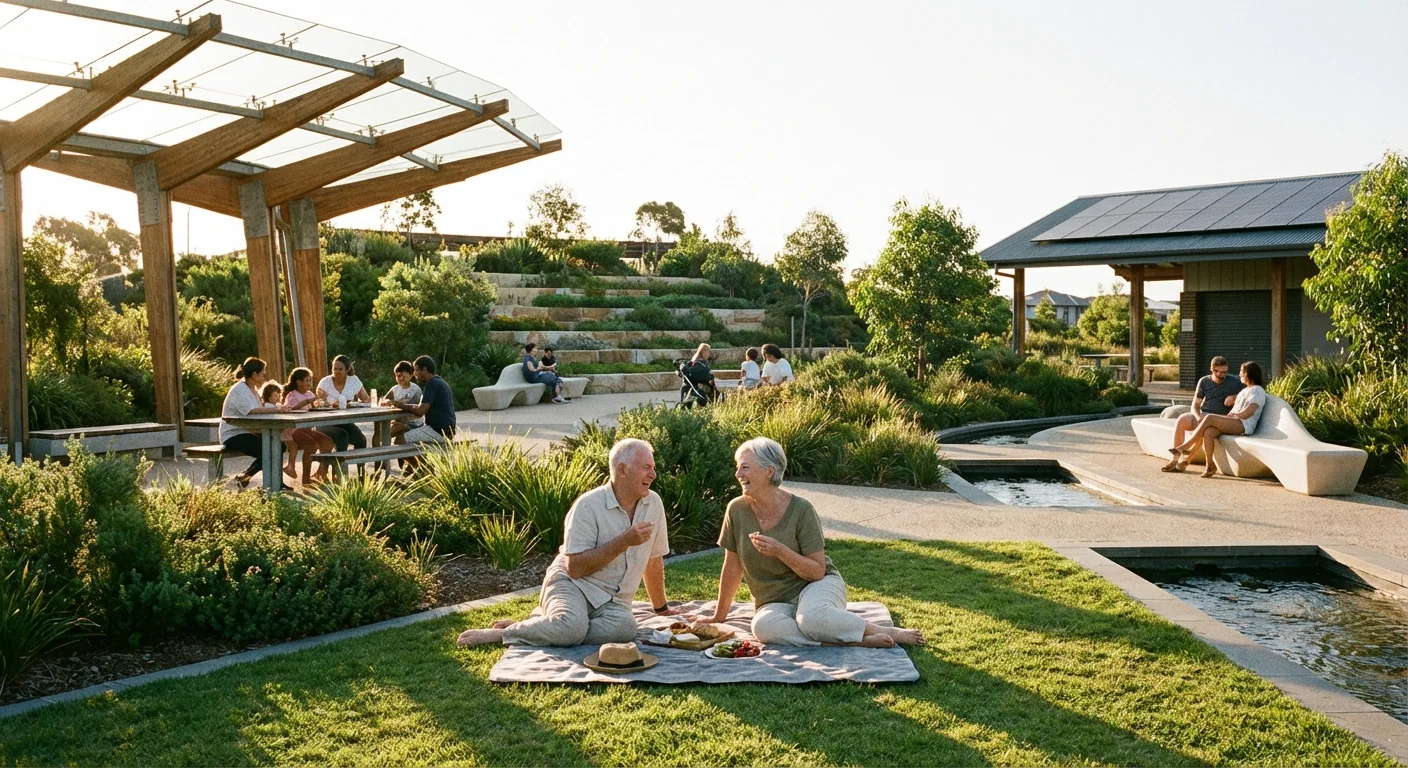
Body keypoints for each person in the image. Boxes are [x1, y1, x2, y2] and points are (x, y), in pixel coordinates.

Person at [701, 437, 926, 647]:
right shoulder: (736, 510)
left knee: (810, 619)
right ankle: (854, 641)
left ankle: (883, 630)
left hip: (816, 586)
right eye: (738, 467)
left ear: (769, 471)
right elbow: (732, 566)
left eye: (745, 467)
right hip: (773, 601)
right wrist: (719, 616)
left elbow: (817, 571)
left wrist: (780, 551)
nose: (738, 473)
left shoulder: (801, 510)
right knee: (763, 628)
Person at [457, 438, 681, 647]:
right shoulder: (588, 506)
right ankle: (506, 633)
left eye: (653, 468)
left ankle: (548, 625)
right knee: (571, 628)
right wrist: (624, 541)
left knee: (625, 630)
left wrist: (661, 609)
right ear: (622, 470)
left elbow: (653, 559)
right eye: (646, 468)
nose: (653, 475)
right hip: (573, 585)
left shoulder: (653, 504)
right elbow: (575, 569)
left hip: (612, 601)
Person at [1169, 361, 1267, 479]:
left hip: (1243, 424)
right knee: (1208, 431)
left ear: (1248, 374)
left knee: (1209, 417)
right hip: (1234, 421)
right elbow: (1234, 410)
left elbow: (1250, 411)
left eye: (1242, 372)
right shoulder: (1245, 390)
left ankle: (1184, 447)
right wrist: (1227, 417)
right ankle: (1209, 465)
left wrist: (1233, 416)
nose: (1240, 374)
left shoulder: (1257, 390)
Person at [1162, 356, 1244, 473]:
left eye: (1225, 372)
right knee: (1182, 419)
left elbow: (1252, 390)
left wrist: (1235, 397)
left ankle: (1186, 458)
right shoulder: (1204, 381)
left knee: (1206, 427)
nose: (1222, 375)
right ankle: (1175, 459)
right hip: (1204, 414)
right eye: (1218, 372)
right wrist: (1197, 416)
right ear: (1212, 369)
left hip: (1221, 419)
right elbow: (1195, 405)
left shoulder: (1234, 381)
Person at [219, 357, 285, 488]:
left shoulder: (253, 389)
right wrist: (276, 410)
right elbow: (251, 411)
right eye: (263, 372)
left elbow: (261, 408)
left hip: (249, 431)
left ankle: (252, 477)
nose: (265, 374)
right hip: (233, 434)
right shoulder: (239, 389)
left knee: (279, 446)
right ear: (254, 374)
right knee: (266, 451)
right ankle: (269, 485)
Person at [384, 356, 457, 476]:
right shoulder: (440, 382)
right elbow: (422, 406)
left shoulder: (431, 385)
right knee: (401, 431)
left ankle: (422, 468)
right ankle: (419, 468)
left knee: (399, 441)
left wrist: (403, 405)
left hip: (437, 430)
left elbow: (421, 411)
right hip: (446, 429)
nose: (415, 374)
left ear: (425, 369)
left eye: (417, 370)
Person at [280, 367, 335, 484]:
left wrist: (322, 400)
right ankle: (306, 479)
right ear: (299, 382)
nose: (310, 383)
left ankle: (321, 472)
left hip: (306, 428)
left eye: (310, 380)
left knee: (328, 441)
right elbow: (290, 409)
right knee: (312, 445)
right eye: (307, 381)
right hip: (292, 430)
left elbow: (315, 407)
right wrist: (305, 402)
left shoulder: (310, 394)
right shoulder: (292, 395)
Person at [315, 355, 370, 452]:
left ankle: (361, 467)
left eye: (340, 369)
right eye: (334, 369)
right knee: (342, 436)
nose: (337, 372)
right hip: (326, 421)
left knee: (361, 439)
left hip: (344, 421)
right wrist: (328, 402)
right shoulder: (325, 383)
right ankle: (340, 466)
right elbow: (317, 403)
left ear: (347, 369)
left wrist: (353, 404)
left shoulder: (353, 381)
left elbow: (366, 399)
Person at [386, 360, 423, 445]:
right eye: (398, 376)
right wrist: (387, 402)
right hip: (397, 420)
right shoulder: (395, 389)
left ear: (410, 376)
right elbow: (384, 400)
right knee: (382, 434)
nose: (401, 378)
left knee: (389, 434)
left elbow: (419, 409)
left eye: (403, 376)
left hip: (413, 422)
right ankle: (381, 455)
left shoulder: (415, 389)